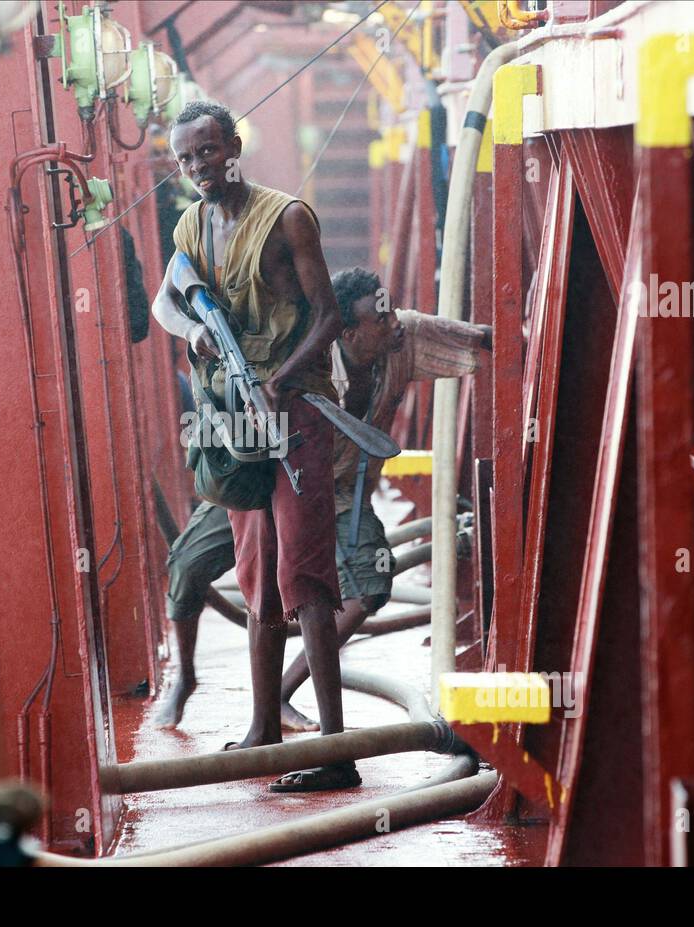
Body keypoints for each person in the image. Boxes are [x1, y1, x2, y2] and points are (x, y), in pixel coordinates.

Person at [156, 267, 491, 748]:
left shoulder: (404, 336)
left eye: (391, 308)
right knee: (189, 567)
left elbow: (477, 339)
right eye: (380, 317)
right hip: (271, 486)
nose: (393, 321)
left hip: (339, 495)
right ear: (347, 333)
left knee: (369, 586)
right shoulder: (306, 355)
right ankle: (185, 677)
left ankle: (284, 695)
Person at [151, 100, 352, 791]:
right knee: (256, 574)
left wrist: (281, 381)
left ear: (233, 147)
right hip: (233, 415)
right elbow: (167, 302)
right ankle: (266, 728)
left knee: (305, 574)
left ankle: (335, 749)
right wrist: (194, 331)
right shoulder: (190, 225)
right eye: (185, 159)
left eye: (207, 153)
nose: (198, 168)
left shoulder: (287, 217)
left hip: (296, 410)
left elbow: (329, 318)